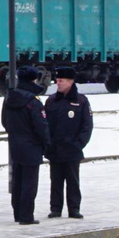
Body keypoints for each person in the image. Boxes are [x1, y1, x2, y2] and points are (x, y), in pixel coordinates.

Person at [45, 64, 94, 219]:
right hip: (55, 149)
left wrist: (79, 144)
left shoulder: (81, 101)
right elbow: (45, 125)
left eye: (61, 80)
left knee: (73, 181)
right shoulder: (51, 101)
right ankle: (55, 208)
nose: (57, 83)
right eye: (57, 80)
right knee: (56, 181)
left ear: (70, 82)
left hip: (72, 149)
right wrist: (48, 144)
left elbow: (87, 126)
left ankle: (74, 208)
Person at [2, 66, 49, 225]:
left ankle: (17, 214)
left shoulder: (9, 97)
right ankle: (26, 216)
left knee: (18, 180)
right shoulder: (33, 101)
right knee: (30, 183)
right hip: (32, 146)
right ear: (33, 80)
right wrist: (45, 143)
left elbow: (4, 121)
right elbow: (41, 126)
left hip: (15, 145)